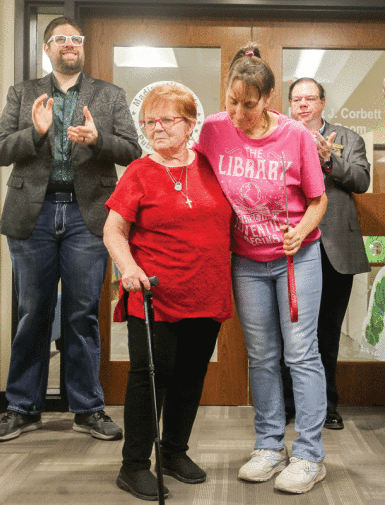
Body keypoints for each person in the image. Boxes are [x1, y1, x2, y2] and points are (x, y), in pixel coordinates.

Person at [0, 16, 141, 442]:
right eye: (61, 39)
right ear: (47, 48)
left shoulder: (108, 95)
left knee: (82, 314)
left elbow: (132, 150)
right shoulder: (22, 94)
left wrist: (97, 141)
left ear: (82, 47)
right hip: (32, 216)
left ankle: (87, 409)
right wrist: (34, 134)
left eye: (76, 39)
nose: (69, 44)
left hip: (87, 215)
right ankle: (22, 407)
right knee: (32, 312)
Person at [195, 44, 328, 494]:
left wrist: (300, 231)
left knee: (300, 353)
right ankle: (269, 446)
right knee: (263, 356)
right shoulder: (213, 130)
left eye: (248, 105)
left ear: (268, 98)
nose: (237, 113)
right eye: (231, 102)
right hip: (247, 262)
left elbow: (318, 199)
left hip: (297, 258)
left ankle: (309, 455)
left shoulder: (296, 136)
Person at [103, 83, 233, 501]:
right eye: (149, 122)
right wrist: (129, 268)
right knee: (149, 380)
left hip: (206, 291)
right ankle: (134, 465)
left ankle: (174, 453)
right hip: (154, 296)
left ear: (190, 124)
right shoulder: (140, 172)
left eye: (166, 120)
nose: (156, 128)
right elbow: (114, 230)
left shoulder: (211, 166)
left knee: (190, 378)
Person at [282, 78, 370, 430]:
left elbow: (361, 181)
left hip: (334, 248)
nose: (302, 105)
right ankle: (291, 405)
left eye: (309, 98)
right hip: (292, 244)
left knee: (327, 332)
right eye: (296, 99)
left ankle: (327, 407)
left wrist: (329, 160)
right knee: (292, 331)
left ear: (321, 102)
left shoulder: (348, 139)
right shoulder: (281, 136)